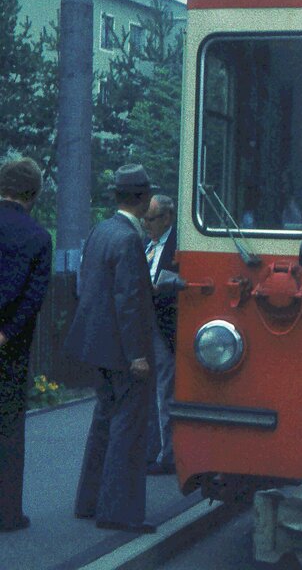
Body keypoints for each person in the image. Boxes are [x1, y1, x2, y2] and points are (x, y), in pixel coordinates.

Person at [64, 163, 159, 534]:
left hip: (96, 345)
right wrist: (137, 354)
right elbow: (128, 301)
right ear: (144, 199)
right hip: (123, 350)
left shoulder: (101, 231)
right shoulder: (129, 240)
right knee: (128, 428)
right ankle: (118, 512)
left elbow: (91, 287)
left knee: (103, 421)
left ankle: (88, 502)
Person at [0, 157, 52, 533]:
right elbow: (33, 297)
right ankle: (7, 514)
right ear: (32, 194)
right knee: (8, 429)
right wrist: (6, 333)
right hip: (11, 349)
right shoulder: (38, 237)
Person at [143, 194, 183, 475]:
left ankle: (167, 454)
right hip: (147, 323)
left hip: (166, 326)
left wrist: (160, 289)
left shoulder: (179, 243)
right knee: (151, 389)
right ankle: (153, 448)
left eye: (151, 219)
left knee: (164, 389)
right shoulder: (148, 244)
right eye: (144, 220)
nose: (146, 225)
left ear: (167, 218)